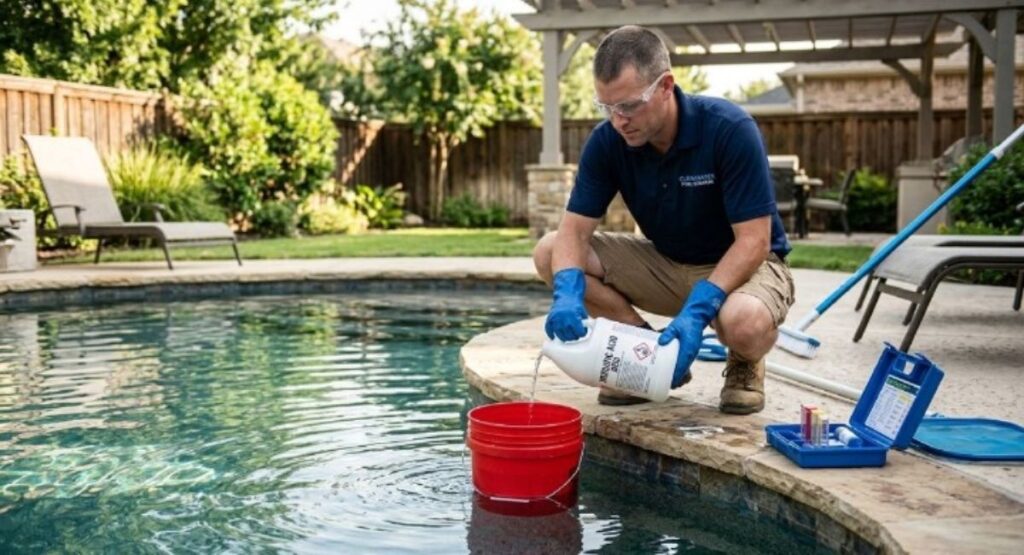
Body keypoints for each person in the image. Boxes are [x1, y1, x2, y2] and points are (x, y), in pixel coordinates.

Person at [533, 25, 795, 415]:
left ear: (666, 85)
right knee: (551, 251)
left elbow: (754, 242)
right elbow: (575, 230)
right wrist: (567, 292)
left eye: (629, 105)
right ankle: (642, 355)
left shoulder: (728, 129)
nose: (619, 120)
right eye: (607, 107)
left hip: (744, 268)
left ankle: (745, 363)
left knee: (742, 322)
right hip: (668, 264)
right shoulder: (608, 141)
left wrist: (697, 312)